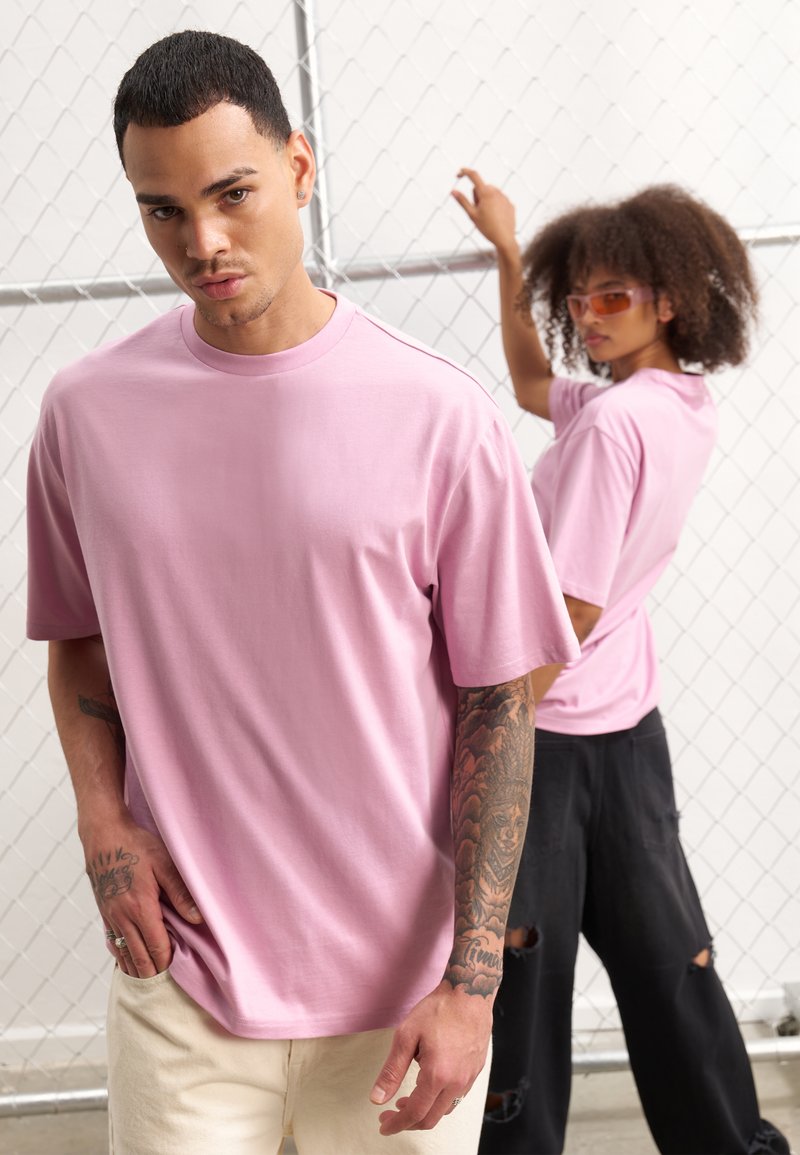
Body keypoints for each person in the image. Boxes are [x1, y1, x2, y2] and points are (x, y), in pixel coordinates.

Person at [25, 32, 579, 1155]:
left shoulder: (439, 415)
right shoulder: (85, 415)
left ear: (299, 167)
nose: (203, 242)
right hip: (185, 979)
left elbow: (498, 702)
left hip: (403, 994)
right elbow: (76, 637)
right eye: (163, 210)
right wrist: (104, 819)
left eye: (231, 193)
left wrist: (472, 982)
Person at [452, 171, 791, 1155]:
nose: (587, 317)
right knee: (671, 966)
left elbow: (572, 604)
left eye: (612, 297)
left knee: (521, 977)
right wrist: (510, 255)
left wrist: (492, 729)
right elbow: (531, 384)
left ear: (669, 299)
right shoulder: (676, 403)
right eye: (577, 299)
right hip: (629, 732)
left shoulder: (610, 423)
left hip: (550, 737)